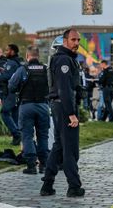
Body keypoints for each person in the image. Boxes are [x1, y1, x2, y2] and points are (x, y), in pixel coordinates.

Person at [40, 29, 85, 198]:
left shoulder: (64, 59)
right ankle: (74, 186)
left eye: (78, 40)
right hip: (64, 106)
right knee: (70, 149)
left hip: (60, 106)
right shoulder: (64, 60)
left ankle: (47, 184)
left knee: (59, 146)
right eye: (73, 39)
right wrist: (72, 114)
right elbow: (65, 90)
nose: (76, 43)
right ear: (65, 41)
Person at [9, 46, 50, 175]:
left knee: (27, 135)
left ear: (27, 56)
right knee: (43, 135)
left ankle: (31, 165)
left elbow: (11, 86)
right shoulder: (46, 70)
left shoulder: (23, 69)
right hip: (43, 105)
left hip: (26, 106)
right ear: (38, 56)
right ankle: (43, 165)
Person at [0, 44, 22, 145]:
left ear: (13, 51)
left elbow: (6, 76)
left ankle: (16, 134)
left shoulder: (12, 63)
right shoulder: (18, 61)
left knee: (4, 112)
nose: (5, 52)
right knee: (15, 114)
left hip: (11, 92)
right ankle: (18, 138)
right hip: (17, 93)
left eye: (7, 50)